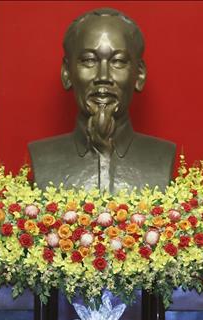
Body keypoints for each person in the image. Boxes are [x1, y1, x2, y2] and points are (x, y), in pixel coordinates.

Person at [28, 8, 176, 193]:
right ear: (67, 73)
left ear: (139, 74)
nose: (103, 76)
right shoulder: (42, 157)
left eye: (118, 61)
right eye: (89, 60)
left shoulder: (162, 157)